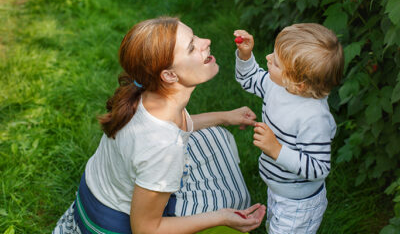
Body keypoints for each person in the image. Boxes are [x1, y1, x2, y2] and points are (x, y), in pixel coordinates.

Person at [52, 16, 266, 234]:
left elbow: (181, 127)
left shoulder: (146, 94)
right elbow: (145, 229)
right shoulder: (163, 146)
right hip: (113, 224)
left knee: (215, 136)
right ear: (170, 75)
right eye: (192, 47)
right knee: (233, 200)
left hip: (98, 197)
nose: (207, 41)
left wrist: (225, 116)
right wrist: (220, 217)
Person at [233, 23, 344, 234]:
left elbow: (319, 168)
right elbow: (248, 79)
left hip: (299, 202)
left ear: (298, 83)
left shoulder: (313, 117)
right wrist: (245, 56)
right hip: (279, 189)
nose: (267, 58)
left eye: (275, 62)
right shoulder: (278, 86)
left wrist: (276, 150)